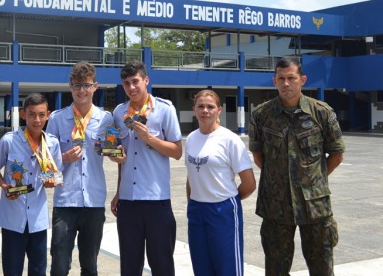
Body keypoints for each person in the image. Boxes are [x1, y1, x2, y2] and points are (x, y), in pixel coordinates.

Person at [249, 57, 345, 275]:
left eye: (291, 78)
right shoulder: (261, 115)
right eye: (281, 78)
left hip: (315, 206)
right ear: (274, 81)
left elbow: (337, 153)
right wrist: (280, 180)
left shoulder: (322, 112)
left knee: (322, 267)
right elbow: (258, 155)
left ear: (302, 80)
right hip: (276, 205)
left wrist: (314, 179)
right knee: (276, 268)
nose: (286, 84)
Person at [47, 61, 126, 276]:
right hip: (65, 201)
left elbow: (115, 155)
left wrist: (117, 155)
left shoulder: (105, 118)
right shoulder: (56, 119)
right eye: (77, 85)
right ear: (70, 86)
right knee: (60, 265)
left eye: (86, 85)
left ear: (95, 86)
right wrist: (64, 157)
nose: (82, 91)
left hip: (93, 200)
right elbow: (47, 162)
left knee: (90, 265)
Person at [110, 60, 183, 276]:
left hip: (156, 200)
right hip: (128, 201)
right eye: (126, 83)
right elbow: (123, 158)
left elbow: (177, 151)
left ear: (146, 80)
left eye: (135, 82)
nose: (131, 88)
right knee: (130, 265)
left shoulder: (164, 109)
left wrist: (149, 138)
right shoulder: (118, 113)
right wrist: (117, 192)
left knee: (161, 264)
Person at [185, 89, 256, 276]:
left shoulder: (230, 140)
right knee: (201, 266)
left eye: (210, 107)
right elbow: (191, 176)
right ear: (194, 109)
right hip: (196, 210)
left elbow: (249, 183)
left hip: (223, 210)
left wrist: (226, 201)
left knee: (227, 268)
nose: (205, 111)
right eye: (200, 106)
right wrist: (193, 202)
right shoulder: (191, 138)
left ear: (219, 110)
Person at [0, 93, 62, 276]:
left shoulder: (52, 143)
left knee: (38, 270)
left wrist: (52, 182)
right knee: (12, 269)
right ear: (23, 114)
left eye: (41, 114)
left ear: (48, 115)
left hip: (37, 218)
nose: (37, 120)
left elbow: (57, 174)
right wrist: (5, 186)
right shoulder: (9, 141)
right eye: (31, 114)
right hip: (13, 217)